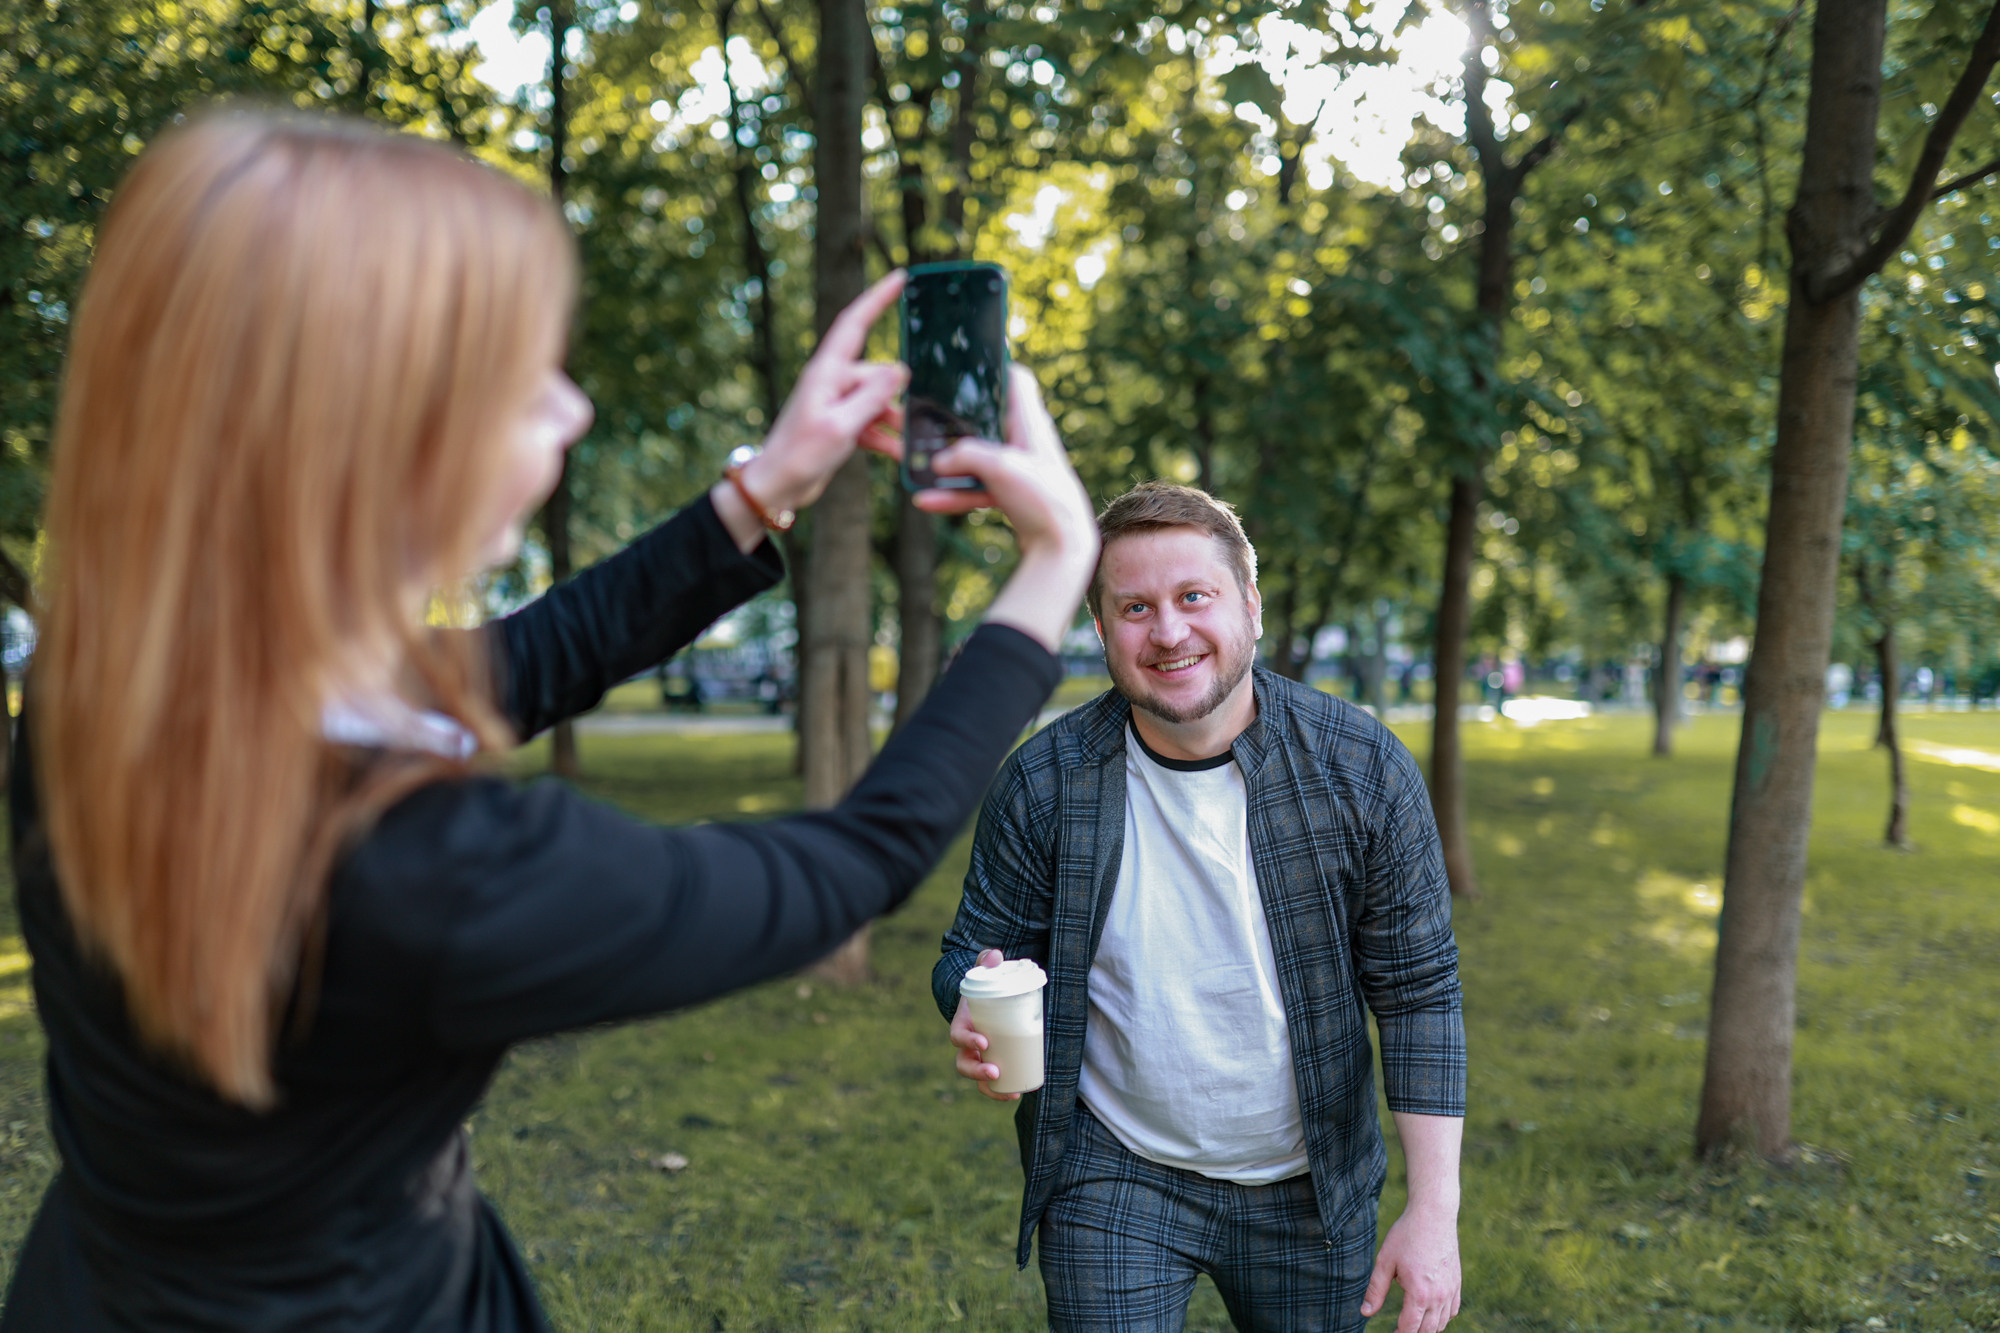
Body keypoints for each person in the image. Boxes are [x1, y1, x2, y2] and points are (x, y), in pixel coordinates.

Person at [2, 107, 1098, 1330]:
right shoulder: (432, 874)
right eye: (519, 387)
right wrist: (1052, 568)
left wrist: (762, 488)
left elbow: (519, 662)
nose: (571, 412)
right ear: (364, 450)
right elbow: (855, 857)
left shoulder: (114, 678)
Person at [935, 483, 1466, 1333]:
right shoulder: (1045, 782)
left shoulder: (1361, 768)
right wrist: (967, 993)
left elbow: (1419, 994)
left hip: (1311, 1183)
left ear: (1249, 607)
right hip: (1112, 1170)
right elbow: (972, 952)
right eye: (1135, 607)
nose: (1169, 631)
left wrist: (1433, 1211)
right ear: (1103, 632)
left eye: (1194, 597)